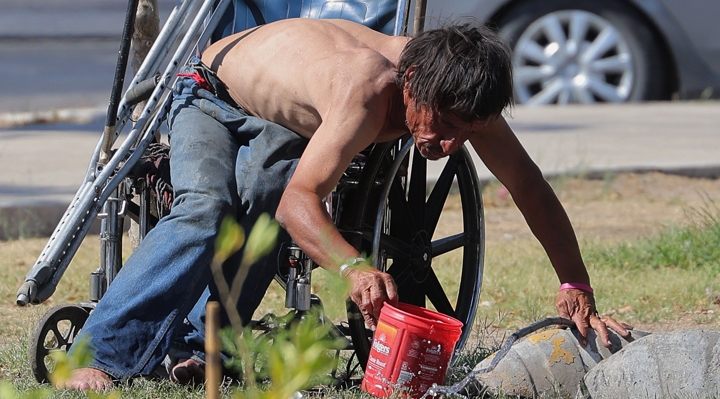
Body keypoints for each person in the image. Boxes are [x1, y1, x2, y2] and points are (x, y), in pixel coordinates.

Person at [58, 18, 630, 391]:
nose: (452, 145)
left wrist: (574, 281)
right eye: (446, 128)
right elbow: (300, 204)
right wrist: (355, 267)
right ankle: (98, 353)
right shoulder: (365, 89)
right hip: (212, 95)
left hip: (279, 120)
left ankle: (210, 344)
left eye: (467, 131)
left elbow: (528, 184)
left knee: (260, 201)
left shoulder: (460, 95)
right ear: (412, 85)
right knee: (207, 209)